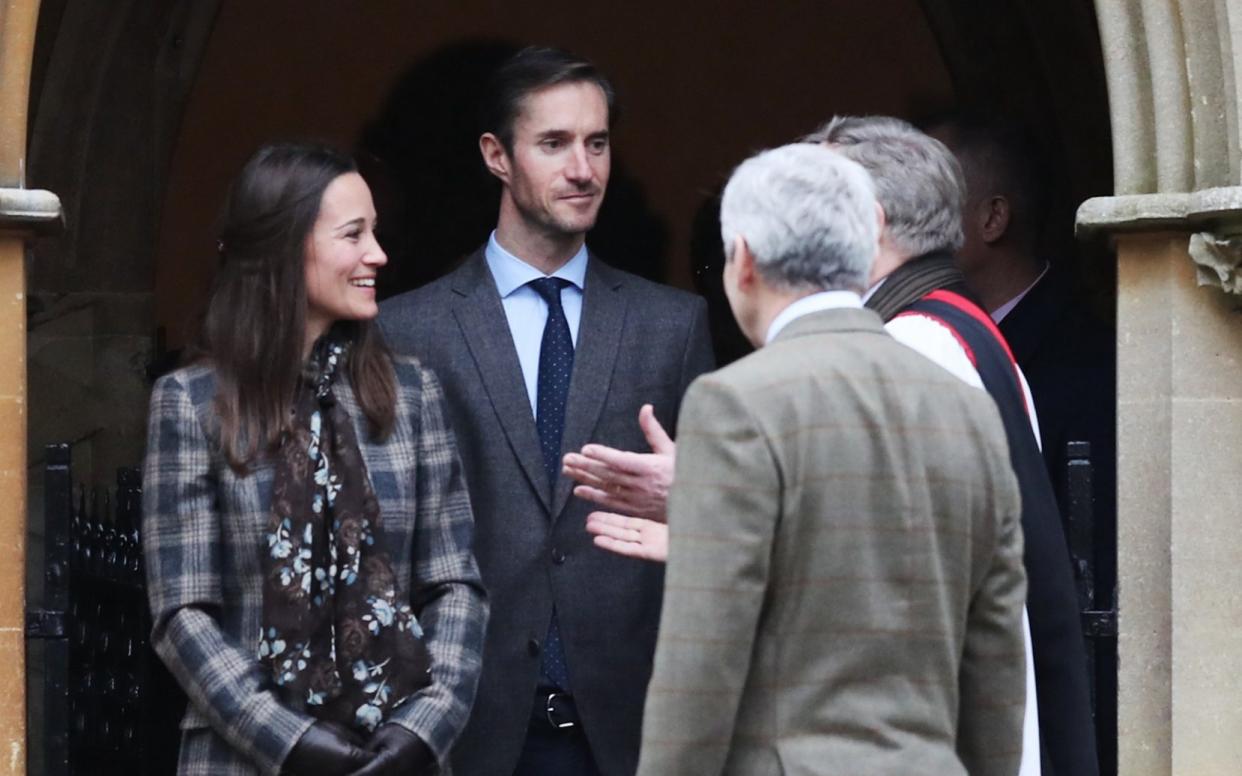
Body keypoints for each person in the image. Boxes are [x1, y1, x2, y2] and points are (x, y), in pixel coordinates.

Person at [635, 142, 1027, 775]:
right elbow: (997, 652)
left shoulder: (734, 402)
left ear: (743, 262)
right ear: (868, 245)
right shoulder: (966, 408)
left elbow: (701, 660)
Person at [379, 47, 714, 776]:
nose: (584, 169)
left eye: (596, 143)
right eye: (555, 144)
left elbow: (715, 529)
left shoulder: (673, 325)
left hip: (633, 726)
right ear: (497, 156)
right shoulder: (410, 329)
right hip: (468, 721)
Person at [142, 143, 488, 776]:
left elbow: (455, 586)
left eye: (376, 232)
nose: (378, 255)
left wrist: (421, 732)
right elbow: (182, 614)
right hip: (242, 757)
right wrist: (290, 743)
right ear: (284, 248)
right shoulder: (189, 404)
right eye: (354, 234)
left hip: (393, 760)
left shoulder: (414, 395)